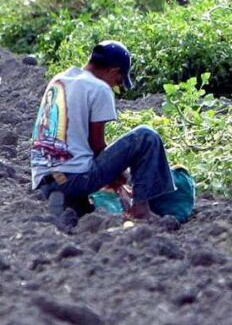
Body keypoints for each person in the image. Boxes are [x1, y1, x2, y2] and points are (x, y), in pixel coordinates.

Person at [31, 41, 175, 221]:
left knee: (81, 210)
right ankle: (141, 210)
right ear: (113, 71)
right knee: (146, 136)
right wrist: (119, 175)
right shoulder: (100, 88)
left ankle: (69, 200)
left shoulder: (59, 80)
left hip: (45, 180)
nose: (116, 86)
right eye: (119, 81)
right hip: (76, 179)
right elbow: (97, 145)